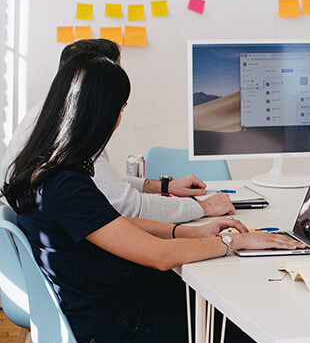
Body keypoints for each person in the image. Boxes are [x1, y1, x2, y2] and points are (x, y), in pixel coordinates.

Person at [2, 53, 305, 343]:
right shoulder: (66, 184)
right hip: (115, 338)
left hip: (102, 321)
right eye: (120, 109)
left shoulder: (42, 169)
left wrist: (189, 231)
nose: (119, 120)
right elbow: (160, 256)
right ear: (101, 114)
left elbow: (114, 224)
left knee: (220, 316)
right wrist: (235, 243)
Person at [0, 39, 234, 223]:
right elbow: (128, 207)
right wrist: (202, 208)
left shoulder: (47, 116)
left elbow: (100, 185)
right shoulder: (72, 132)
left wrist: (164, 187)